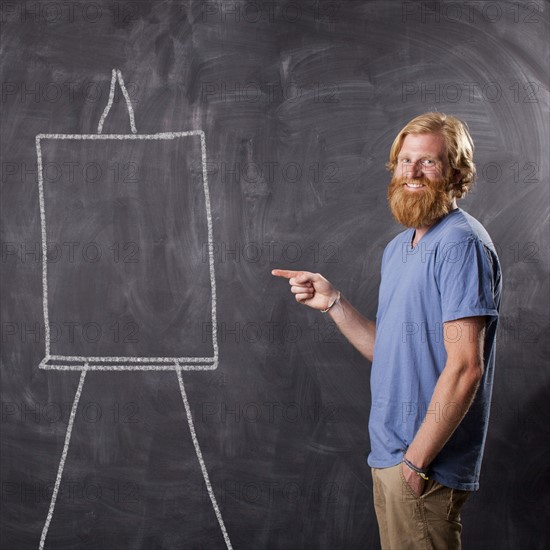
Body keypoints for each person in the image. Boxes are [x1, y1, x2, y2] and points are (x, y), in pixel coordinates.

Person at [272, 112, 502, 549]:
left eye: (428, 162)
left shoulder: (460, 244)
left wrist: (415, 464)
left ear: (455, 172)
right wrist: (334, 302)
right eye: (404, 161)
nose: (412, 172)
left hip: (424, 465)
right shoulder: (400, 247)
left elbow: (467, 366)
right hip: (390, 459)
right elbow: (391, 350)